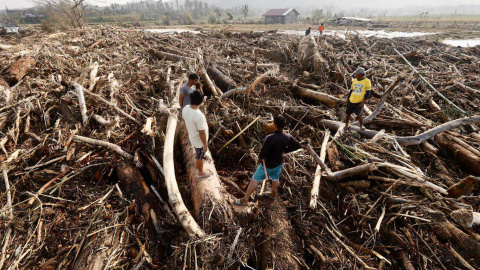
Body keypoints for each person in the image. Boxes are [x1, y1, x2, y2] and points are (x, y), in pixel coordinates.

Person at [234, 115, 301, 206]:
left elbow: (263, 153)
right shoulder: (288, 137)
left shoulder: (270, 138)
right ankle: (273, 194)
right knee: (275, 178)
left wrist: (261, 158)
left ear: (275, 126)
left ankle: (244, 200)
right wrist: (286, 150)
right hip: (278, 162)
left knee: (255, 179)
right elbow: (297, 145)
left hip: (268, 164)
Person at [182, 90, 210, 179]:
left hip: (192, 136)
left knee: (199, 154)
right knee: (199, 156)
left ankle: (200, 167)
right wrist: (205, 145)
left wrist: (186, 131)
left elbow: (184, 120)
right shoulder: (199, 116)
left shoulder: (186, 108)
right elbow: (201, 132)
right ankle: (200, 172)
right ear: (201, 101)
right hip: (199, 141)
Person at [344, 67, 372, 131]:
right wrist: (348, 99)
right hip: (351, 100)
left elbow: (368, 93)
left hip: (359, 101)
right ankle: (346, 124)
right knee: (348, 113)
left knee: (359, 115)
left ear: (360, 74)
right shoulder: (354, 80)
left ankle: (361, 125)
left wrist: (363, 102)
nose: (355, 74)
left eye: (356, 73)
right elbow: (351, 90)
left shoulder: (367, 81)